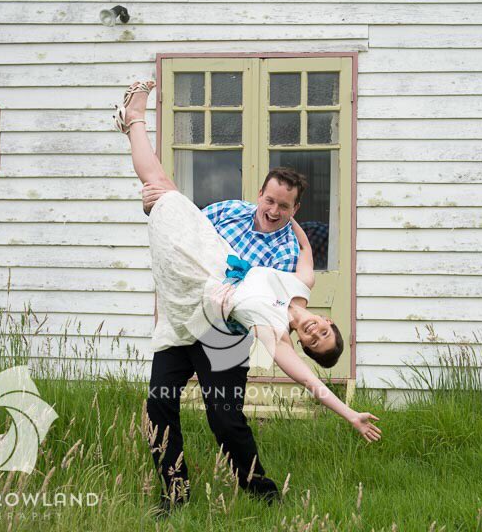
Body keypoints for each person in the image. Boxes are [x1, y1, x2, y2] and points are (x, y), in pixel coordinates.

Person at [114, 81, 381, 512]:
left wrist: (348, 414)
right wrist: (158, 211)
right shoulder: (295, 276)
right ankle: (174, 495)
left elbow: (309, 380)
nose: (315, 331)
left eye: (314, 342)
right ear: (261, 194)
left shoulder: (275, 324)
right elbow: (192, 234)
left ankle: (260, 491)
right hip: (193, 291)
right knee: (157, 406)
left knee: (225, 418)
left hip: (222, 333)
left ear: (306, 346)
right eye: (270, 202)